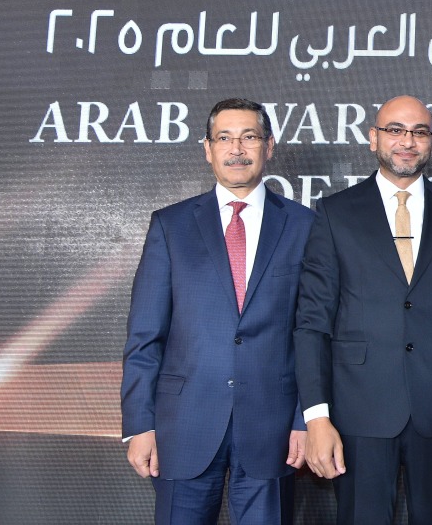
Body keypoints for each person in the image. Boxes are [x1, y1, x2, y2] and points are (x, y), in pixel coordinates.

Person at [294, 95, 432, 525]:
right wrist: (316, 417)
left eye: (420, 132)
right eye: (395, 130)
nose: (408, 141)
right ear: (373, 139)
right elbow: (312, 322)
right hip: (358, 412)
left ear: (431, 142)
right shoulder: (335, 213)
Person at [121, 98, 314, 524]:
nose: (237, 148)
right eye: (224, 138)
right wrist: (140, 425)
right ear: (207, 149)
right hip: (182, 426)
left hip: (274, 426)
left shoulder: (305, 227)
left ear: (269, 146)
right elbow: (145, 336)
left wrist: (306, 418)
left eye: (249, 137)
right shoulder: (170, 226)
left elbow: (314, 333)